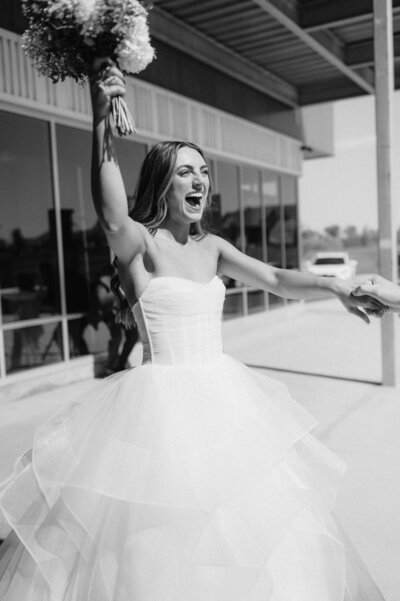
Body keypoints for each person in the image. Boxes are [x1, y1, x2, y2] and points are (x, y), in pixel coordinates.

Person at [0, 59, 387, 600]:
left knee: (253, 540)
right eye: (185, 171)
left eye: (203, 171)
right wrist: (98, 118)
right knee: (157, 552)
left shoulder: (212, 247)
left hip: (226, 407)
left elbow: (276, 277)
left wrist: (337, 288)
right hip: (157, 413)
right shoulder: (142, 246)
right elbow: (111, 216)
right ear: (162, 181)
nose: (199, 179)